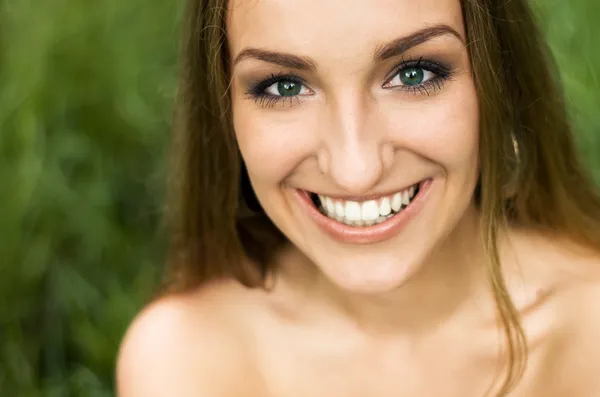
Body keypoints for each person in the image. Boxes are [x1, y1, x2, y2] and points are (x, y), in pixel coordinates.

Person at [116, 0, 600, 395]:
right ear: (226, 113)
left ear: (499, 82)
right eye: (285, 86)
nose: (356, 170)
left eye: (413, 74)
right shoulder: (183, 362)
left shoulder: (588, 322)